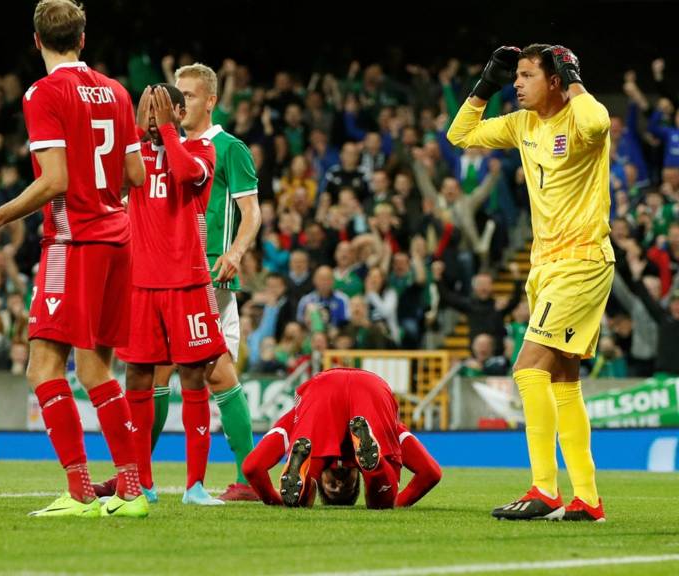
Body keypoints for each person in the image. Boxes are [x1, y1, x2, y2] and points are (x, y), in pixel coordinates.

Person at [0, 0, 147, 518]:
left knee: (42, 366)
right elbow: (135, 175)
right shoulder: (118, 91)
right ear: (82, 39)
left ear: (35, 40)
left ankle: (80, 491)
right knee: (97, 367)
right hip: (117, 239)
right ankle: (131, 491)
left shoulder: (44, 93)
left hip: (73, 242)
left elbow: (55, 181)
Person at [448, 44, 612, 522]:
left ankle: (544, 488)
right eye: (514, 75)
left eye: (525, 75)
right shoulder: (523, 124)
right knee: (563, 381)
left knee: (527, 368)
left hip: (580, 261)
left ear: (555, 80)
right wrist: (486, 83)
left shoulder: (581, 123)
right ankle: (588, 499)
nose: (516, 84)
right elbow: (460, 134)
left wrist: (575, 77)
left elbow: (600, 124)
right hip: (545, 266)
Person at [114, 84, 227, 505]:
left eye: (159, 107)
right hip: (140, 284)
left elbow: (183, 174)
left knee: (195, 376)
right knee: (138, 377)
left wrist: (167, 128)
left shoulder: (201, 151)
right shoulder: (134, 155)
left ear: (179, 112)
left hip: (188, 283)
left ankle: (195, 486)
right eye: (145, 108)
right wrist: (141, 129)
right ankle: (142, 481)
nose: (149, 115)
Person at [241, 368, 441, 509]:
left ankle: (303, 484)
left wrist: (276, 501)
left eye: (332, 486)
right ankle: (376, 465)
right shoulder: (388, 429)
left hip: (330, 388)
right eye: (347, 486)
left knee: (304, 484)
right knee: (382, 503)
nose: (339, 481)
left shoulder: (297, 423)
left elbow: (252, 467)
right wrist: (396, 504)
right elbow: (431, 472)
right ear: (358, 478)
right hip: (368, 388)